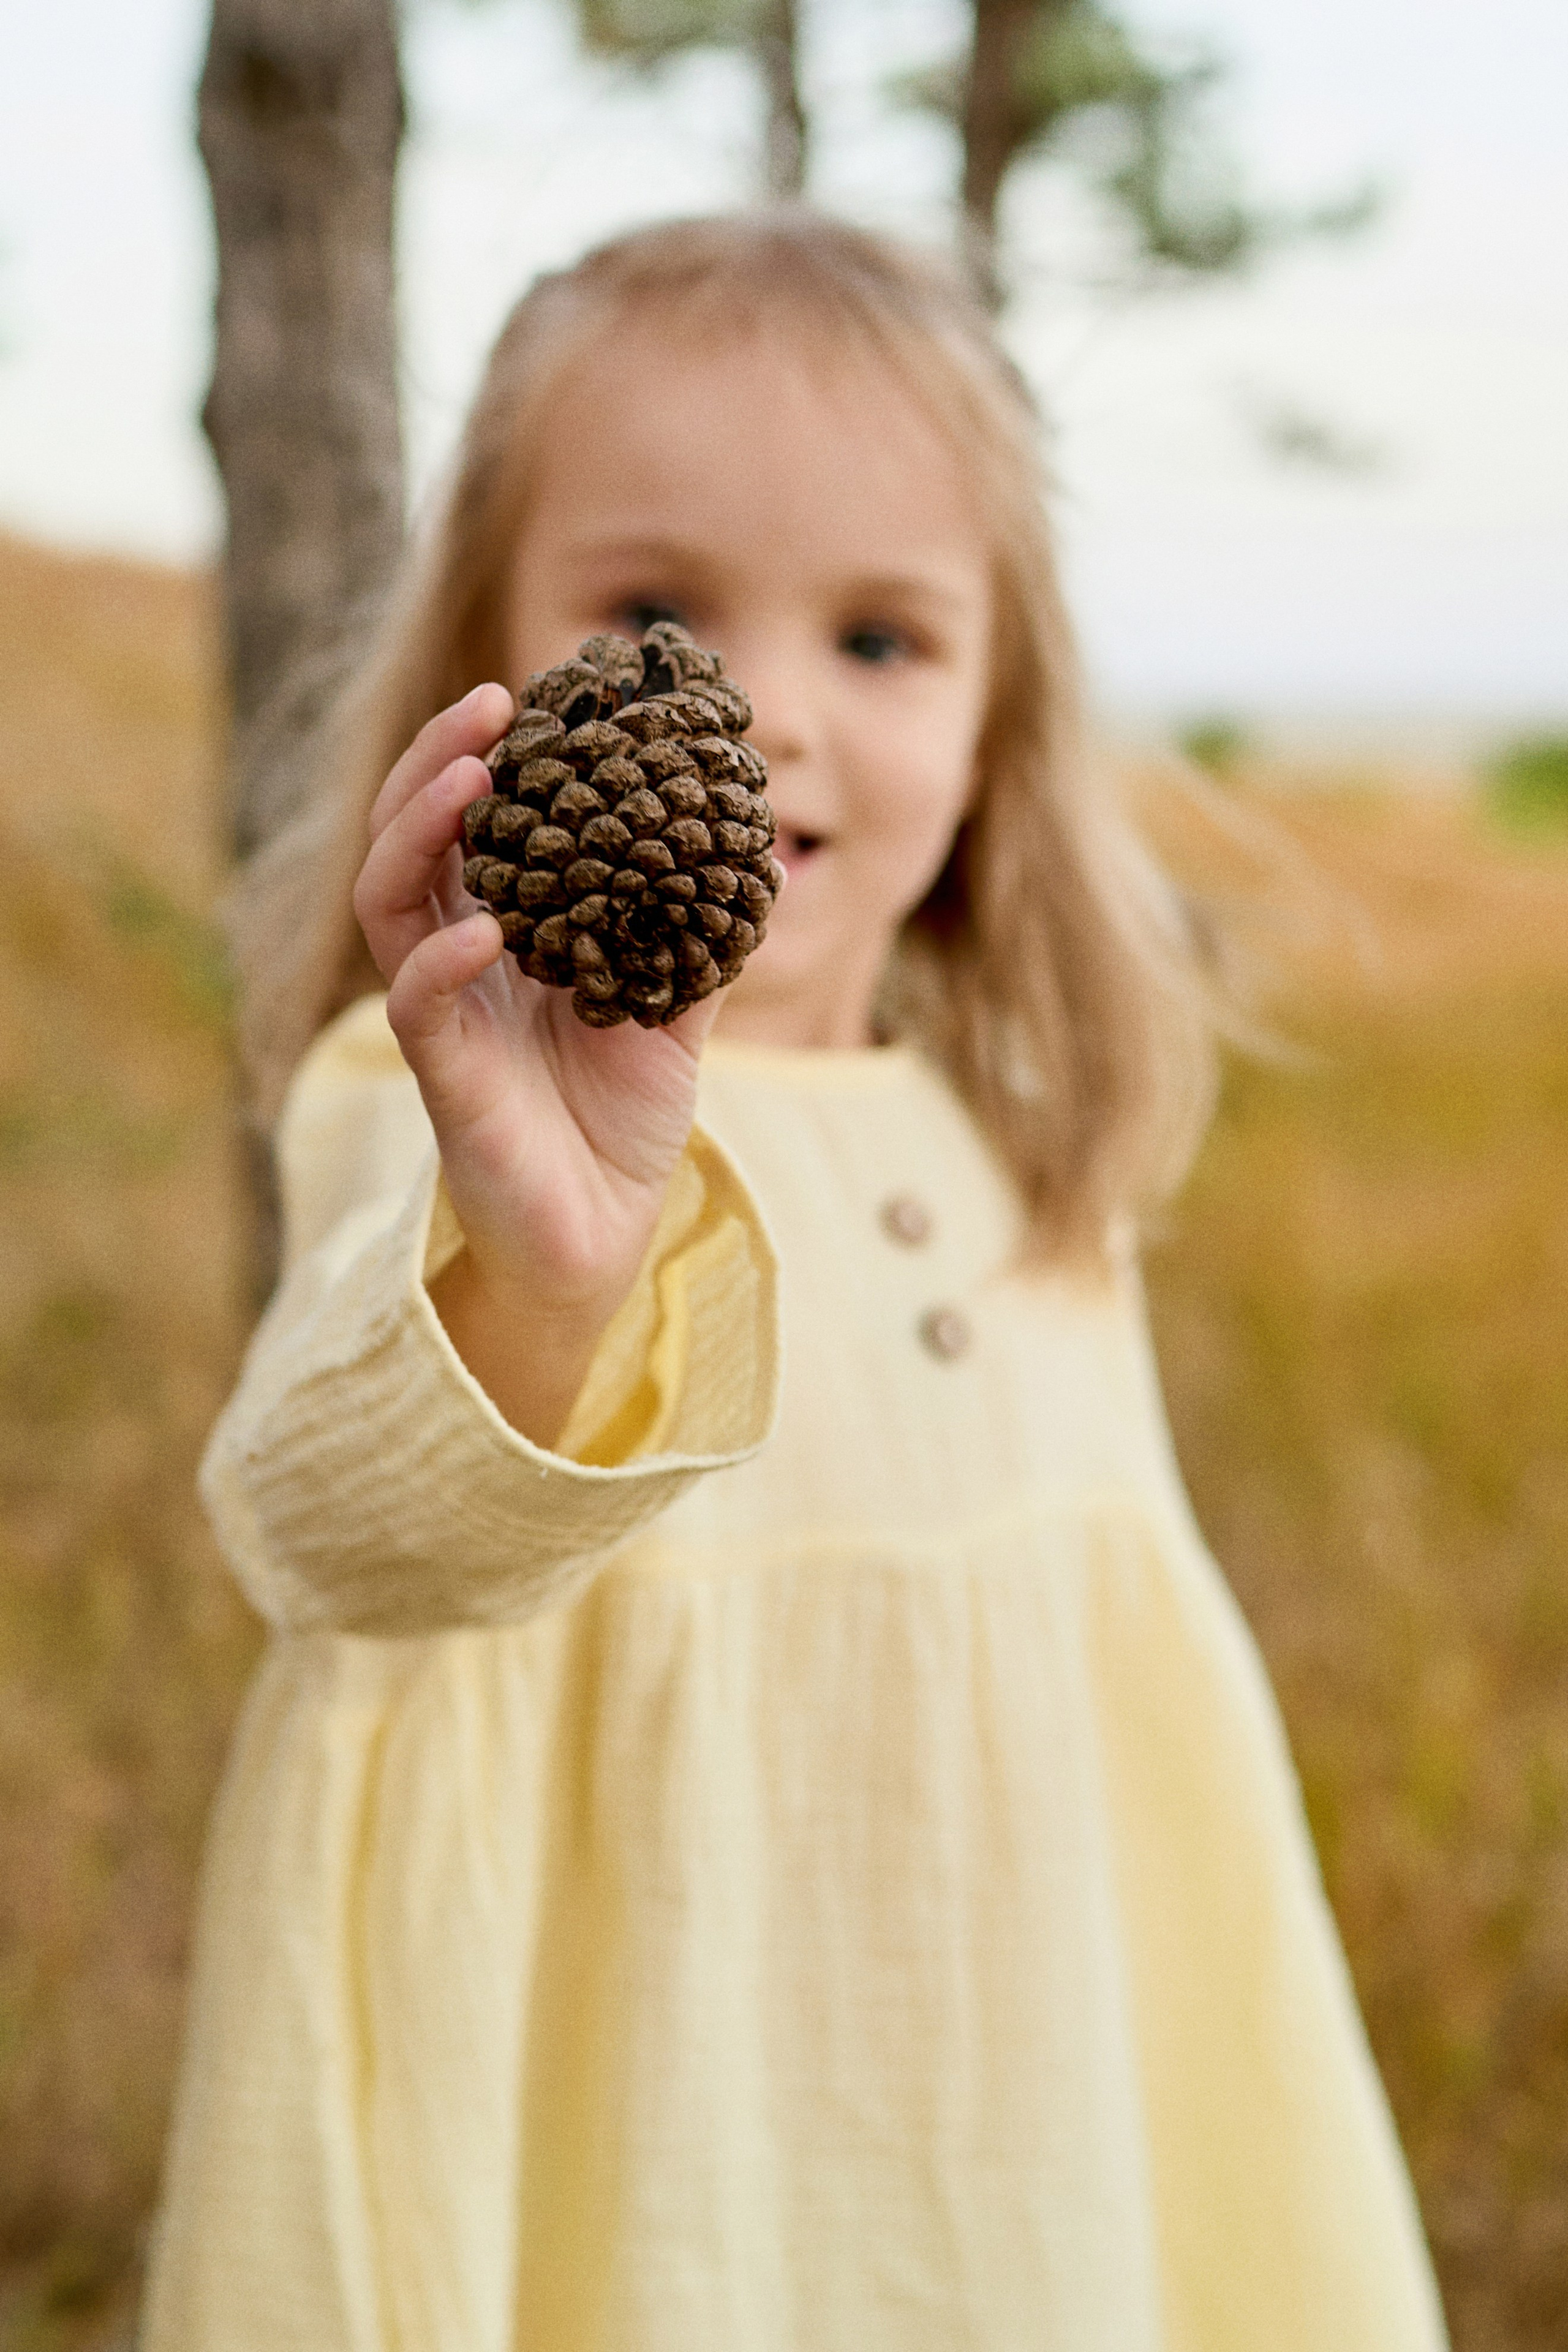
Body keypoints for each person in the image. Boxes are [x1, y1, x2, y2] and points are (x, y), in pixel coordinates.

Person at [142, 214, 1448, 2351]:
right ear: (487, 645)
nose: (751, 712)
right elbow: (328, 1540)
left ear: (1003, 698)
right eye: (652, 609)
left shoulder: (1023, 1130)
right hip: (612, 2114)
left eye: (883, 638)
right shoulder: (455, 1092)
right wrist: (548, 1272)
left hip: (1013, 2092)